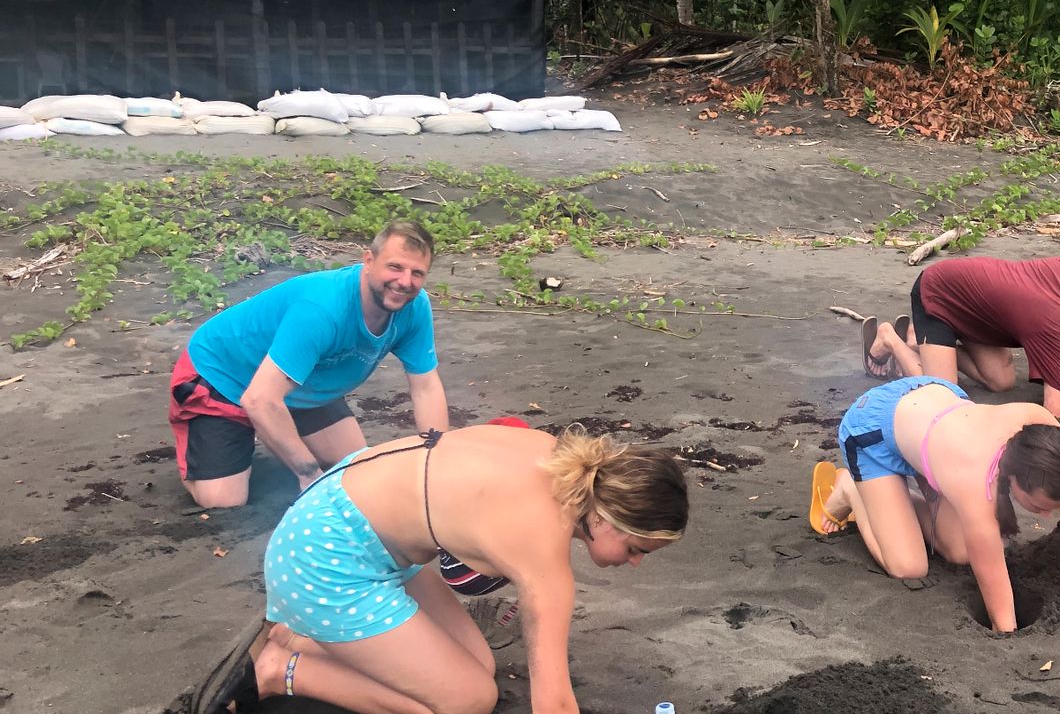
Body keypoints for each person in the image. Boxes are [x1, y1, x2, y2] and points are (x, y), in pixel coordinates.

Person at [252, 422, 688, 714]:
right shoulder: (540, 538)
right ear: (606, 518)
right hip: (324, 559)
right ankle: (282, 671)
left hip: (353, 520)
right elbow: (552, 700)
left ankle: (300, 634)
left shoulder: (558, 455)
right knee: (469, 700)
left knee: (479, 665)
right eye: (636, 549)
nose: (633, 563)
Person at [809, 375, 1060, 633]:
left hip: (935, 407)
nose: (1049, 516)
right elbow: (1000, 606)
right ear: (1012, 479)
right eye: (1040, 506)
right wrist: (1013, 643)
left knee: (960, 552)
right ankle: (851, 490)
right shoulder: (976, 488)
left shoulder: (1047, 437)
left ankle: (895, 502)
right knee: (909, 567)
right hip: (873, 430)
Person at [167, 220, 449, 508]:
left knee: (358, 470)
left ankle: (275, 432)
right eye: (395, 267)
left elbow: (426, 387)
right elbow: (258, 399)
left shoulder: (414, 307)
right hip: (224, 374)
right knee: (223, 501)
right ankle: (208, 457)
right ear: (369, 260)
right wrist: (310, 476)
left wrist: (437, 460)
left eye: (417, 273)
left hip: (301, 383)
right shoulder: (322, 309)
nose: (405, 282)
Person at [862, 254, 1060, 420]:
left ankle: (920, 340)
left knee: (1002, 381)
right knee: (944, 398)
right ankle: (890, 339)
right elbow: (1056, 411)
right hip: (938, 293)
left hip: (977, 312)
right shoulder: (1054, 330)